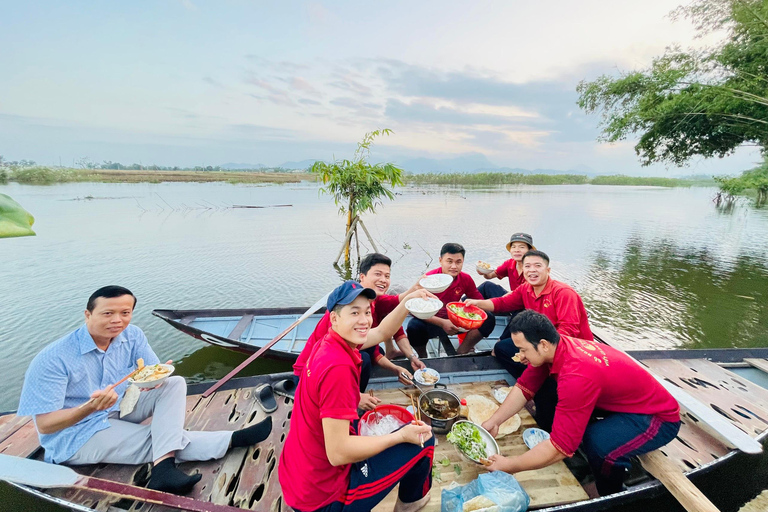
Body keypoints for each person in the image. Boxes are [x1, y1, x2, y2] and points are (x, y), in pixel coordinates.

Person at [17, 286, 273, 495]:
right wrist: (90, 407)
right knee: (156, 440)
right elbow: (47, 425)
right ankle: (228, 441)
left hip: (120, 407)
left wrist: (157, 377)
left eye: (125, 312)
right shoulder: (53, 359)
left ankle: (162, 468)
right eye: (107, 313)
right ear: (87, 315)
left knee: (174, 383)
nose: (118, 320)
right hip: (76, 433)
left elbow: (152, 371)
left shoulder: (132, 335)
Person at [481, 310, 680, 496]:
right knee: (558, 402)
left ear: (543, 344)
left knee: (599, 445)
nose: (520, 355)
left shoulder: (575, 376)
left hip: (658, 417)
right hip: (624, 401)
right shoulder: (556, 347)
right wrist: (495, 421)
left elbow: (560, 448)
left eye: (523, 349)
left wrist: (509, 465)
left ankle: (609, 493)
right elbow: (524, 388)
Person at [279, 280, 435, 512]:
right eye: (354, 313)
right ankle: (411, 504)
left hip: (298, 474)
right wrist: (401, 436)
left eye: (366, 312)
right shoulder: (338, 369)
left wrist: (407, 302)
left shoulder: (328, 342)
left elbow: (383, 331)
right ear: (334, 318)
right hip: (324, 497)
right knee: (425, 441)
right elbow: (338, 453)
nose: (364, 320)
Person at [466, 249, 592, 429]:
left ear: (548, 270)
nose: (532, 270)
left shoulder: (563, 293)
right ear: (522, 270)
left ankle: (546, 412)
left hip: (570, 354)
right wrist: (477, 303)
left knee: (547, 393)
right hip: (539, 346)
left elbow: (568, 332)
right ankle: (531, 388)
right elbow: (503, 303)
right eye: (527, 266)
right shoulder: (526, 288)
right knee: (502, 349)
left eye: (537, 266)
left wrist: (536, 355)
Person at [293, 257, 433, 410]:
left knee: (368, 355)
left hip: (331, 380)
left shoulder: (372, 301)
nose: (363, 320)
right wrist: (355, 396)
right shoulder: (333, 346)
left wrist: (397, 368)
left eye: (387, 276)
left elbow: (383, 332)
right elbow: (325, 373)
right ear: (362, 277)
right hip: (310, 380)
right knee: (364, 359)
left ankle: (355, 402)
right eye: (378, 274)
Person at [406, 243, 497, 356]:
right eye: (449, 261)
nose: (454, 266)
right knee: (413, 327)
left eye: (458, 262)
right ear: (440, 261)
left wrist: (468, 314)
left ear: (463, 262)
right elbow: (413, 310)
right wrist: (443, 323)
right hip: (432, 320)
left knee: (488, 318)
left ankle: (462, 351)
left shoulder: (465, 279)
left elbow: (479, 301)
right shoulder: (429, 279)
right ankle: (423, 356)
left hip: (456, 319)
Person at [477, 232, 535, 300]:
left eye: (522, 247)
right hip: (513, 298)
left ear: (530, 250)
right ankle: (462, 304)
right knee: (486, 286)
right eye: (513, 247)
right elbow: (490, 275)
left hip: (527, 303)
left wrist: (504, 299)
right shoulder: (510, 263)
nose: (517, 250)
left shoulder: (534, 268)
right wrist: (484, 271)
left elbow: (531, 292)